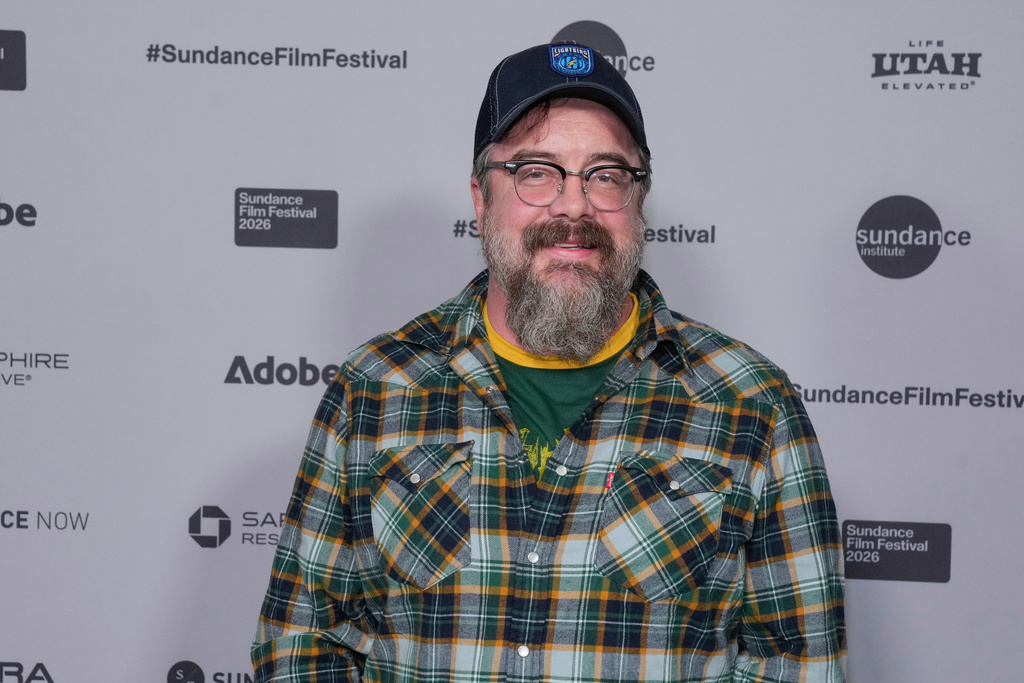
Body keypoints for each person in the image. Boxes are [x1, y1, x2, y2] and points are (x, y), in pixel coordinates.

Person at [252, 42, 846, 682]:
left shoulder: (751, 405)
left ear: (637, 201)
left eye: (605, 175)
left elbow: (798, 666)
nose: (574, 206)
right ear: (482, 199)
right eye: (537, 171)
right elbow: (302, 648)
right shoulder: (373, 389)